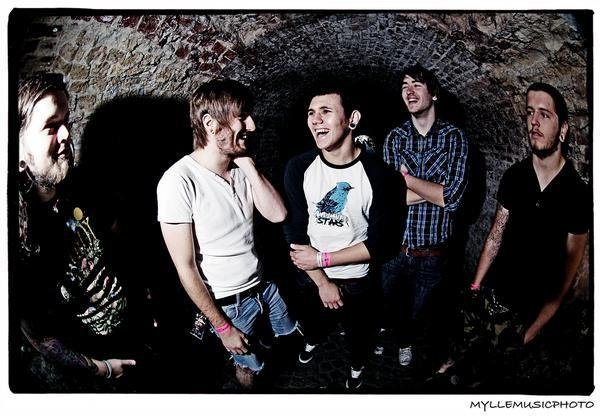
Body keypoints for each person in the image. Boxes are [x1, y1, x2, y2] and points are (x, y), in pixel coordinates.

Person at [157, 79, 297, 390]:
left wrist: (247, 165)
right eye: (242, 117)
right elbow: (185, 268)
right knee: (249, 368)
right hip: (229, 305)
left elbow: (278, 214)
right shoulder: (179, 181)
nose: (252, 125)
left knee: (282, 342)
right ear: (210, 124)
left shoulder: (240, 168)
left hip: (264, 287)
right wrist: (222, 327)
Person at [12, 73, 138, 392]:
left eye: (66, 121)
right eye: (51, 126)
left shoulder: (80, 183)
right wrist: (101, 369)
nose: (67, 134)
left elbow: (117, 237)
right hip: (94, 365)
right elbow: (38, 336)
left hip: (132, 332)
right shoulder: (19, 240)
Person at [465, 82, 589, 388]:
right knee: (472, 366)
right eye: (530, 113)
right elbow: (495, 235)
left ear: (563, 130)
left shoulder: (577, 193)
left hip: (532, 312)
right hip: (494, 296)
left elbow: (569, 270)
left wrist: (535, 327)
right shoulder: (514, 176)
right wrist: (476, 287)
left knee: (506, 381)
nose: (534, 121)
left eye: (544, 114)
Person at [283, 81, 404, 390]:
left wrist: (323, 259)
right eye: (311, 113)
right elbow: (294, 232)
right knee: (314, 321)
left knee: (359, 332)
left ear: (352, 119)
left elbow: (383, 244)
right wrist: (322, 281)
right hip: (311, 277)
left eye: (326, 111)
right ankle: (312, 340)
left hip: (357, 281)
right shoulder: (299, 168)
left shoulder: (382, 176)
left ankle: (357, 367)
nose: (316, 120)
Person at [381, 64, 469, 372]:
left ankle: (410, 341)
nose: (409, 91)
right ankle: (393, 334)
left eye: (417, 85)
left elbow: (454, 200)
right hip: (395, 249)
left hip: (432, 253)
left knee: (422, 311)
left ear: (434, 94)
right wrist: (436, 190)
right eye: (404, 85)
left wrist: (407, 179)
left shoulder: (453, 138)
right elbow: (390, 199)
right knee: (389, 304)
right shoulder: (394, 138)